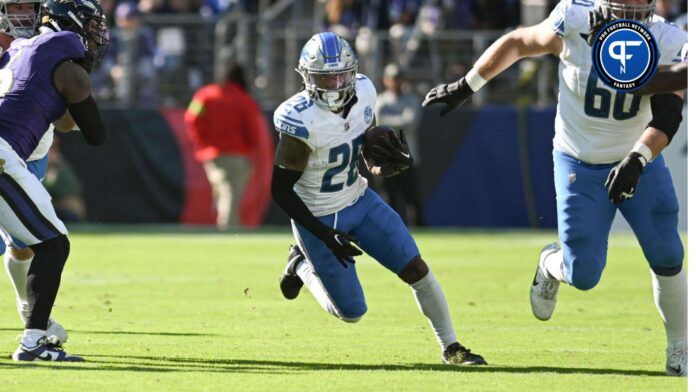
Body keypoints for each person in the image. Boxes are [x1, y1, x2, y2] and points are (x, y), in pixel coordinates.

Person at [422, 0, 687, 376]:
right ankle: (551, 263)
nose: (631, 5)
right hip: (579, 159)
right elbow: (518, 42)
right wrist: (467, 84)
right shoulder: (576, 18)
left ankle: (680, 347)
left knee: (667, 251)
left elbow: (668, 114)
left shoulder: (668, 36)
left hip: (638, 155)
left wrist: (638, 158)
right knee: (584, 274)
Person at [271, 32, 486, 366]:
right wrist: (323, 234)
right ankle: (300, 264)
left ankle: (451, 347)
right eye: (325, 78)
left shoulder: (366, 91)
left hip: (359, 200)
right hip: (318, 216)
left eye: (341, 75)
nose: (335, 84)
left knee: (417, 268)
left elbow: (361, 149)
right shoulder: (300, 119)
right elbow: (281, 190)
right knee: (352, 312)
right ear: (308, 78)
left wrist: (376, 164)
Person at [0, 0, 109, 361]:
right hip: (4, 153)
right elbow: (96, 134)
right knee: (53, 244)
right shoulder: (66, 61)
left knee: (38, 242)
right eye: (93, 25)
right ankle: (33, 341)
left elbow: (55, 114)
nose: (97, 35)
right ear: (73, 21)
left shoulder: (20, 48)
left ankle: (37, 331)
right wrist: (82, 96)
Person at [0, 0, 69, 346]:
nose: (22, 15)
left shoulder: (45, 44)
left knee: (26, 243)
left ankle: (29, 309)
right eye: (15, 7)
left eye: (29, 6)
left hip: (32, 149)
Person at [184, 61, 263, 229]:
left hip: (211, 155)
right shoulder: (245, 100)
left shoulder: (204, 95)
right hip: (237, 154)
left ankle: (226, 223)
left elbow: (191, 119)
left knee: (223, 190)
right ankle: (228, 229)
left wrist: (202, 143)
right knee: (231, 193)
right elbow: (253, 131)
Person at [374, 63, 424, 225]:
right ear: (386, 80)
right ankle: (390, 227)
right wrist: (397, 122)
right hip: (386, 158)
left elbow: (410, 122)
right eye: (393, 78)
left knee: (412, 197)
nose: (396, 82)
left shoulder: (411, 100)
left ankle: (418, 228)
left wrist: (389, 124)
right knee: (388, 197)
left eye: (399, 78)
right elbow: (378, 124)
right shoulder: (380, 101)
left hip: (407, 156)